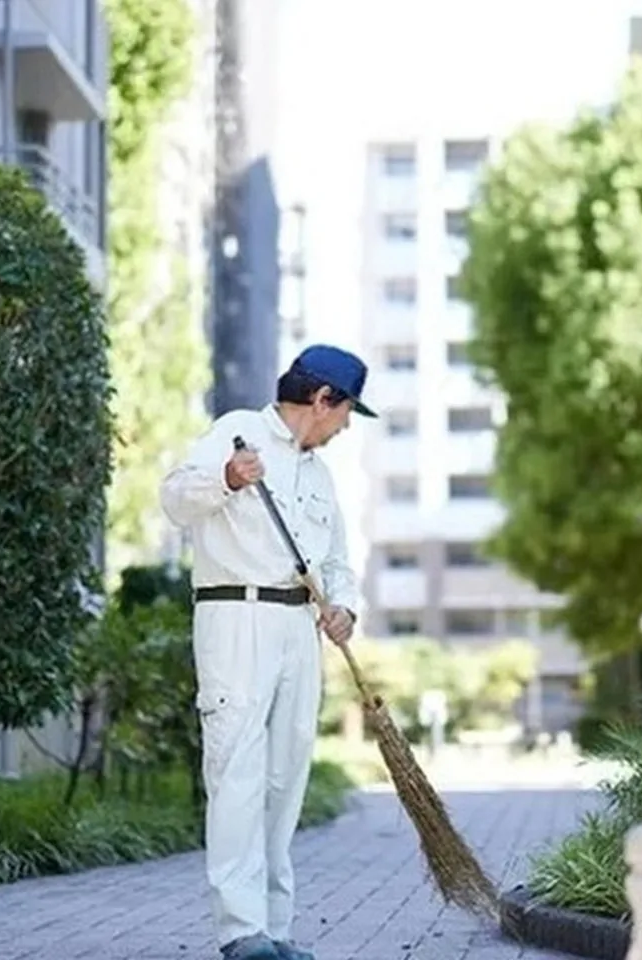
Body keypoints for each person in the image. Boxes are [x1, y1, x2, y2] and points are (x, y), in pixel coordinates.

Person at [158, 344, 374, 960]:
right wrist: (227, 479)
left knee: (285, 778)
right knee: (237, 771)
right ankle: (241, 933)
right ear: (322, 400)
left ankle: (276, 931)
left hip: (297, 629)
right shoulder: (237, 433)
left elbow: (337, 562)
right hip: (236, 617)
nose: (346, 426)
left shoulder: (318, 473)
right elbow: (173, 499)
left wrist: (344, 607)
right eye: (347, 411)